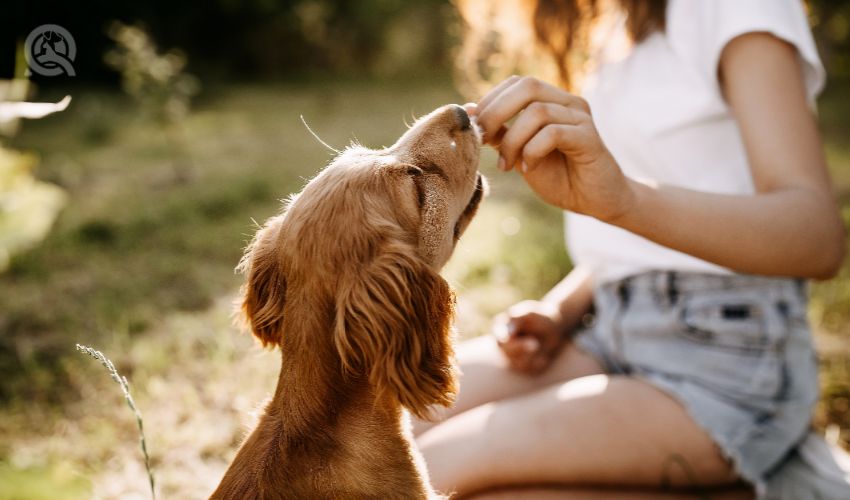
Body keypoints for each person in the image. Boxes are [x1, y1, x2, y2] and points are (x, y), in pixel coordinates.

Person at [413, 0, 850, 498]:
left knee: (435, 470)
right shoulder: (612, 21)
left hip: (726, 364)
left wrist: (623, 199)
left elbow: (817, 238)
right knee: (375, 429)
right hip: (609, 335)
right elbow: (650, 247)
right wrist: (562, 310)